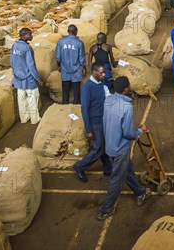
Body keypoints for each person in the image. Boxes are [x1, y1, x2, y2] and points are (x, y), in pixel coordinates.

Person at [96, 76, 150, 220]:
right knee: (116, 180)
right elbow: (127, 133)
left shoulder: (108, 100)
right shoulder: (127, 107)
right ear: (126, 89)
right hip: (120, 148)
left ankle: (140, 192)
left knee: (127, 170)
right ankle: (105, 210)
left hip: (109, 146)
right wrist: (140, 131)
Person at [73, 63, 113, 183]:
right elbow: (84, 109)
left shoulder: (101, 84)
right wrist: (88, 129)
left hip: (103, 120)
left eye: (104, 72)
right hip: (95, 122)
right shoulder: (87, 88)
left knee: (104, 145)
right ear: (94, 72)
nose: (104, 74)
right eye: (101, 72)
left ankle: (108, 169)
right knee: (98, 148)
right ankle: (79, 166)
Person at [11, 28, 42, 124]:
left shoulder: (14, 45)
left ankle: (24, 118)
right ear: (24, 36)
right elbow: (31, 65)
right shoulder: (27, 48)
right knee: (32, 98)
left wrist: (15, 72)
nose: (32, 36)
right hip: (28, 78)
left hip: (18, 78)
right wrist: (38, 78)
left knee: (21, 99)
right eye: (30, 34)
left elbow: (12, 61)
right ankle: (34, 119)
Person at [56, 24, 86, 105]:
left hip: (64, 70)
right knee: (76, 90)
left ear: (68, 31)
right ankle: (76, 106)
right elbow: (82, 58)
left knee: (65, 90)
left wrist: (59, 66)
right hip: (76, 70)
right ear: (76, 32)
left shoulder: (60, 42)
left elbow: (58, 57)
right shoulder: (79, 43)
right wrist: (84, 68)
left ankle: (65, 106)